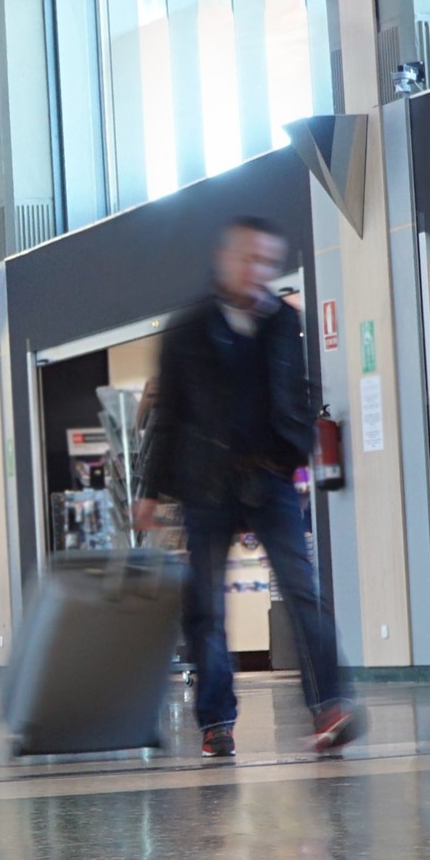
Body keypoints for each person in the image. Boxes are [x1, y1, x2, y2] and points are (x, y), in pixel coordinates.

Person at [137, 217, 360, 761]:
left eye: (266, 260)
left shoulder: (283, 321)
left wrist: (297, 445)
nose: (257, 269)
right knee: (206, 608)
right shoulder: (189, 328)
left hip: (270, 475)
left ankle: (329, 706)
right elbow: (169, 415)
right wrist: (149, 489)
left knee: (303, 591)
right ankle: (217, 722)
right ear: (225, 258)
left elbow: (300, 389)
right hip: (206, 484)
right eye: (248, 258)